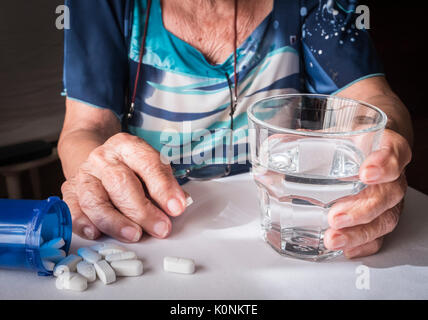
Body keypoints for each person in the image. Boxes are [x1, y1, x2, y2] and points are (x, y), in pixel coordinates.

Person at [59, 0, 413, 259]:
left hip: (285, 237)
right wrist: (96, 174)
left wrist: (383, 152)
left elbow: (371, 99)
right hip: (158, 241)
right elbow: (86, 127)